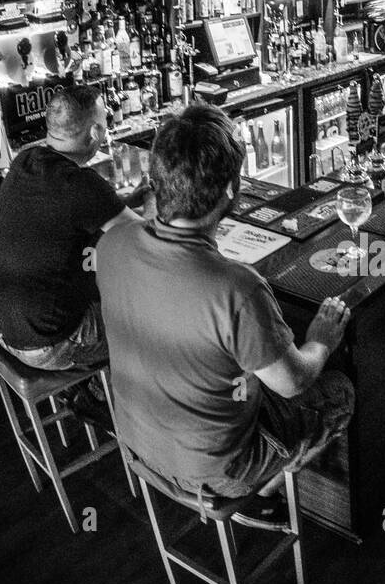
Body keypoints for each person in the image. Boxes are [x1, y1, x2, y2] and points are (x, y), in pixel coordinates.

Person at [97, 103, 353, 517]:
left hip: (134, 441)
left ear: (156, 179)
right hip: (216, 471)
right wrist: (320, 342)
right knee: (338, 392)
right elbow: (293, 383)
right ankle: (265, 489)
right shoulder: (237, 288)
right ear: (233, 189)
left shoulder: (111, 245)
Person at [0, 85, 141, 374]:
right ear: (95, 133)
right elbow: (144, 238)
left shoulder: (23, 162)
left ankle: (93, 392)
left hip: (4, 333)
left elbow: (81, 213)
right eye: (105, 124)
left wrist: (127, 202)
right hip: (50, 344)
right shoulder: (81, 183)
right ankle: (115, 405)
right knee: (155, 320)